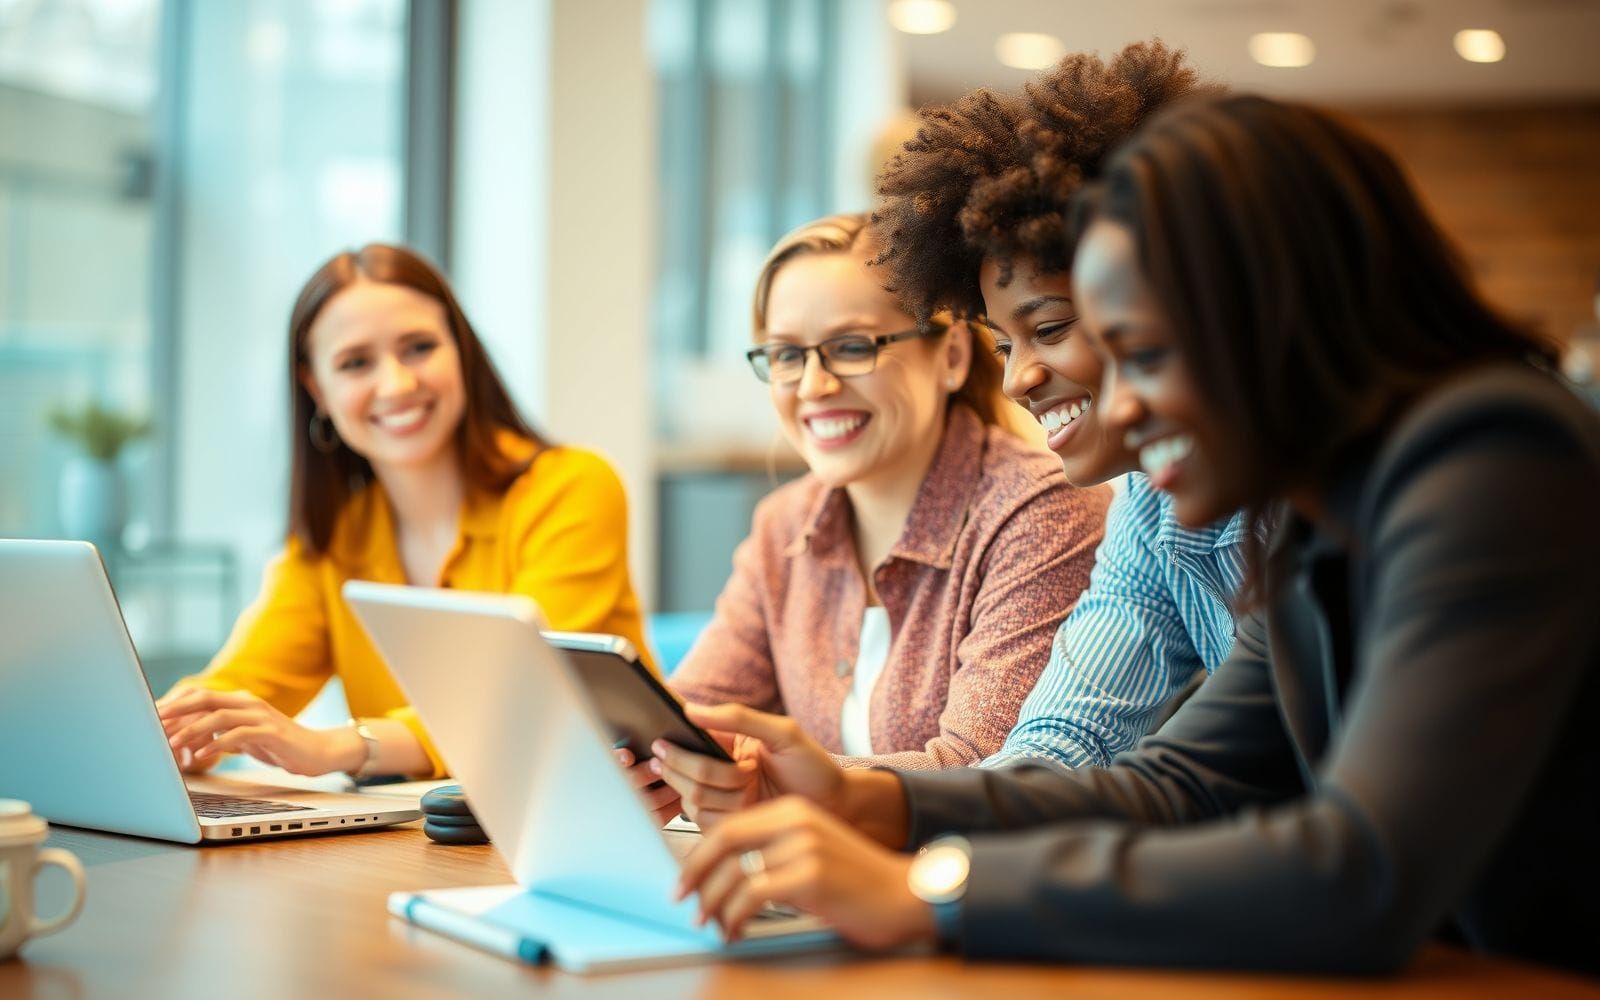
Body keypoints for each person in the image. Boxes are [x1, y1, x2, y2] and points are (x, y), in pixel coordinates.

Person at [659, 96, 1600, 974]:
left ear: (1268, 311)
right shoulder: (1321, 506)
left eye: (1146, 352)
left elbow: (1361, 865)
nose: (1130, 400)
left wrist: (930, 889)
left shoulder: (1491, 455)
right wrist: (869, 798)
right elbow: (1180, 781)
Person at [623, 212, 1110, 825]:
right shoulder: (785, 525)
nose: (814, 385)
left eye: (852, 348)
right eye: (786, 355)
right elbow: (694, 711)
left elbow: (985, 771)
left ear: (953, 356)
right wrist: (650, 758)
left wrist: (773, 778)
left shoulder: (1041, 511)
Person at [873, 41, 1245, 770]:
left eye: (1049, 329)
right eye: (1005, 346)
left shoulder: (1365, 489)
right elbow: (1062, 743)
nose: (1018, 381)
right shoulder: (1148, 509)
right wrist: (826, 794)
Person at [157, 244, 652, 780]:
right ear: (316, 388)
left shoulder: (572, 488)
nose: (396, 384)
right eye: (356, 363)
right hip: (425, 844)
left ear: (460, 351)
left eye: (419, 347)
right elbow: (239, 684)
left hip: (604, 815)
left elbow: (517, 692)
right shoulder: (332, 536)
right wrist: (175, 731)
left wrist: (336, 748)